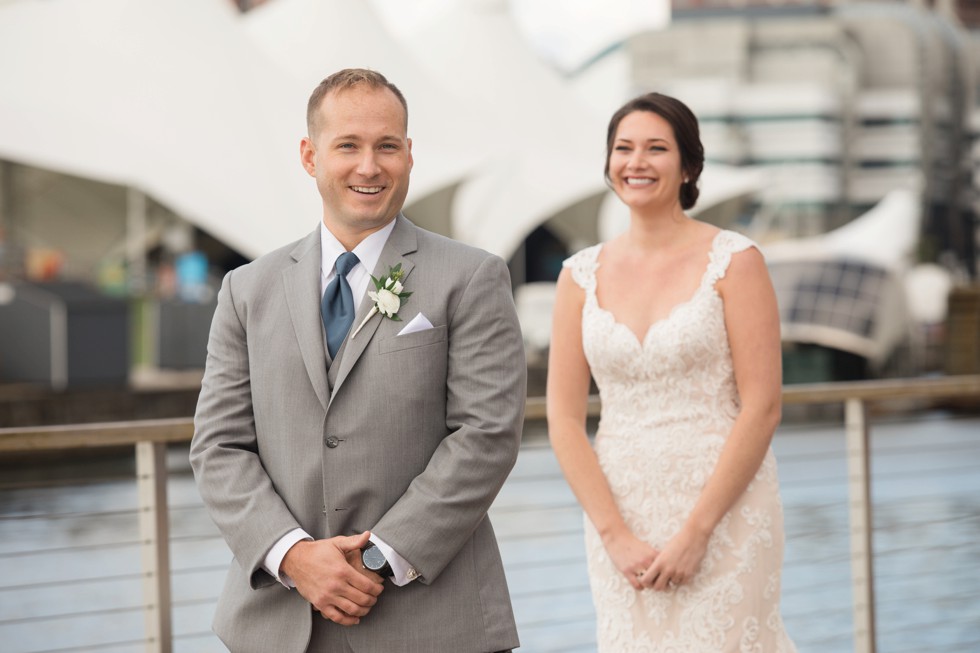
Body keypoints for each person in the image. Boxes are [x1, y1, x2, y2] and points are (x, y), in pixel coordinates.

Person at [190, 68, 526, 653]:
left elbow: (486, 436)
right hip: (278, 623)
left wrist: (376, 557)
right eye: (348, 145)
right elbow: (217, 447)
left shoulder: (472, 277)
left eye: (386, 146)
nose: (369, 167)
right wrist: (293, 556)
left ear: (409, 154)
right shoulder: (247, 290)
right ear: (309, 155)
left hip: (432, 620)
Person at [547, 92, 797, 651]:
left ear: (688, 166)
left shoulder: (736, 261)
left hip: (725, 512)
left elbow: (762, 407)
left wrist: (696, 532)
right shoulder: (578, 276)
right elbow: (563, 418)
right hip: (619, 516)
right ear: (609, 164)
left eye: (656, 148)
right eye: (624, 148)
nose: (637, 162)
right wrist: (613, 533)